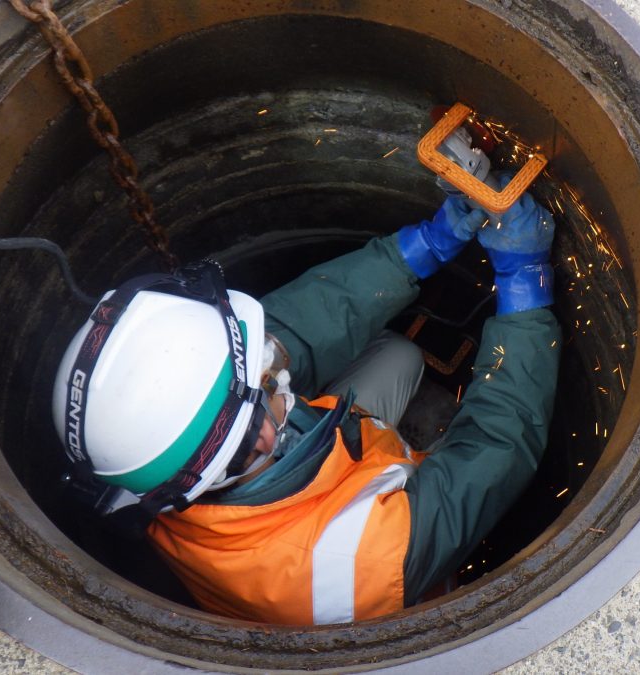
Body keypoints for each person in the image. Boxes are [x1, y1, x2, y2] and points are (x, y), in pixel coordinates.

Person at [51, 176, 560, 625]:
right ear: (264, 436)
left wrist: (426, 243)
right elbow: (499, 442)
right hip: (395, 573)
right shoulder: (366, 559)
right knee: (476, 459)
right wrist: (525, 287)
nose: (273, 353)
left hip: (292, 513)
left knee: (399, 356)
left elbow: (300, 330)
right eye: (266, 372)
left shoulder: (158, 463)